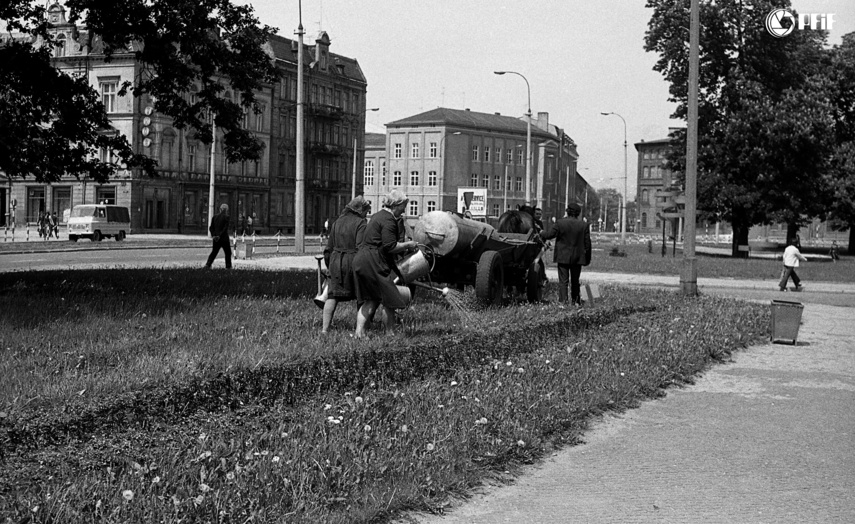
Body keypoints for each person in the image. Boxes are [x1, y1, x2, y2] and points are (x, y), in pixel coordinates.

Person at [353, 189, 417, 337]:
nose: (404, 209)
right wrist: (409, 245)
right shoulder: (389, 220)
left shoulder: (377, 216)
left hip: (363, 260)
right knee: (390, 299)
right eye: (403, 206)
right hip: (373, 261)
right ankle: (390, 334)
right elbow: (390, 246)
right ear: (396, 204)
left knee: (371, 299)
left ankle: (359, 334)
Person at [321, 196, 370, 333]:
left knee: (332, 296)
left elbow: (328, 249)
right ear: (360, 210)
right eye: (366, 211)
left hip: (336, 261)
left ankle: (325, 330)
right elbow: (361, 247)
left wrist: (330, 266)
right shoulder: (361, 223)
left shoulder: (337, 222)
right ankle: (361, 329)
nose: (366, 214)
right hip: (353, 262)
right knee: (362, 296)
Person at [540, 202, 592, 306]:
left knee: (563, 281)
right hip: (578, 257)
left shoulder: (560, 223)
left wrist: (541, 232)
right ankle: (576, 302)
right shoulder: (584, 225)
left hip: (563, 256)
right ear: (578, 213)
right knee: (575, 280)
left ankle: (562, 302)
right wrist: (587, 258)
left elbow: (550, 235)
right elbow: (588, 244)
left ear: (567, 212)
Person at [204, 203, 232, 269]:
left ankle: (208, 264)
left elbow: (211, 227)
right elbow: (225, 228)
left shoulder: (214, 217)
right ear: (226, 210)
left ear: (220, 209)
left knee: (214, 252)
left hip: (216, 239)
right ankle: (228, 267)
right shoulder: (227, 217)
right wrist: (219, 235)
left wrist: (214, 235)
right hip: (224, 238)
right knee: (228, 252)